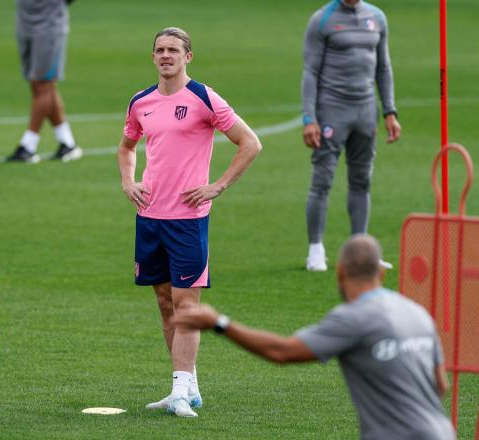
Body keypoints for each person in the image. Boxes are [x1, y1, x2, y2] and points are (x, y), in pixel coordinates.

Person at [173, 235, 455, 439]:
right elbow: (440, 385)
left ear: (341, 272)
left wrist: (219, 323)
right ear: (381, 272)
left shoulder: (353, 318)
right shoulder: (417, 313)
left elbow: (283, 352)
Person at [117, 27, 262, 418]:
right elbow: (128, 146)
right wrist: (129, 182)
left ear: (188, 57)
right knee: (165, 303)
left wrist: (218, 185)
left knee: (186, 305)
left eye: (173, 50)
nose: (166, 56)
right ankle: (187, 387)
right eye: (160, 50)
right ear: (153, 57)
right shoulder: (140, 102)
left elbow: (250, 142)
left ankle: (179, 389)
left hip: (187, 220)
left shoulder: (203, 98)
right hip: (149, 218)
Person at [301, 0, 402, 271]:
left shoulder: (377, 17)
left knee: (362, 181)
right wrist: (309, 118)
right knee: (322, 181)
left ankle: (361, 251)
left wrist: (390, 111)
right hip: (332, 111)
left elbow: (383, 67)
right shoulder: (322, 19)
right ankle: (316, 250)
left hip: (366, 111)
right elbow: (310, 71)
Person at [7, 0, 83, 163]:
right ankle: (67, 142)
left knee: (42, 84)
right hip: (24, 21)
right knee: (40, 85)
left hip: (49, 25)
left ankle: (29, 146)